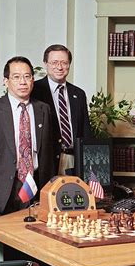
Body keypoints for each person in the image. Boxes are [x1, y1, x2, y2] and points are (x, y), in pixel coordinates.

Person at [0, 56, 54, 220]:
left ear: (32, 80)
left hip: (35, 186)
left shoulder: (43, 109)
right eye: (16, 77)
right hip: (0, 190)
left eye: (27, 76)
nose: (23, 82)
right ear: (6, 81)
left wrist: (49, 190)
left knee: (33, 239)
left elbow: (48, 153)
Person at [32, 44, 92, 175]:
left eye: (64, 62)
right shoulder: (34, 91)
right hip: (46, 161)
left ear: (69, 64)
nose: (59, 67)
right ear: (45, 64)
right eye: (54, 62)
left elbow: (85, 131)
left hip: (74, 159)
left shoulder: (78, 94)